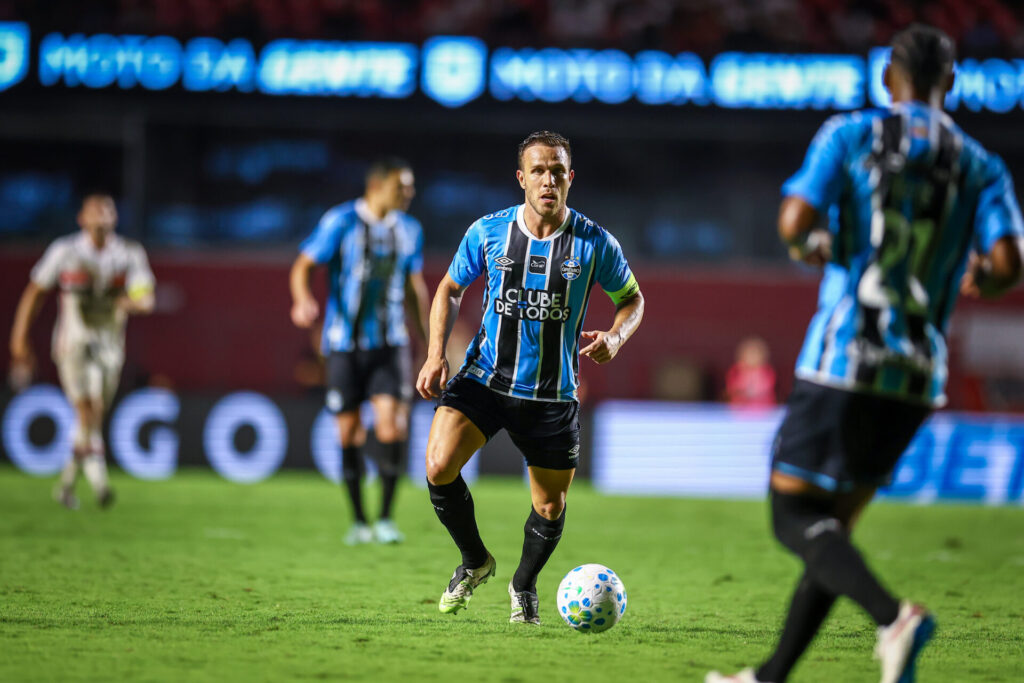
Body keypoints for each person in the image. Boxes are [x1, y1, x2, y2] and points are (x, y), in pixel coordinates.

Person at [707, 24, 1023, 683]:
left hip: (845, 354)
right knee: (832, 533)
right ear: (952, 84)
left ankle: (893, 616)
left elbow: (795, 221)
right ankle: (769, 676)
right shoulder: (980, 164)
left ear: (888, 80)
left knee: (794, 515)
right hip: (915, 373)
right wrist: (985, 279)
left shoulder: (850, 135)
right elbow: (1007, 262)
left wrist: (811, 244)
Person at [416, 131, 645, 624]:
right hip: (485, 378)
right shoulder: (488, 232)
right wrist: (436, 353)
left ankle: (523, 585)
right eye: (538, 171)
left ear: (570, 179)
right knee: (437, 466)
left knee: (549, 507)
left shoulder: (595, 243)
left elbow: (632, 299)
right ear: (521, 178)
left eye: (557, 171)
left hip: (552, 394)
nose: (548, 180)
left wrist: (617, 337)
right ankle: (475, 562)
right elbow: (450, 288)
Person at [290, 158, 429, 546]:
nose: (410, 194)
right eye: (403, 186)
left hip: (391, 343)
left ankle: (385, 518)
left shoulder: (410, 230)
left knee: (393, 426)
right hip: (343, 345)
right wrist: (302, 300)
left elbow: (414, 286)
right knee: (349, 431)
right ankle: (358, 521)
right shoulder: (341, 221)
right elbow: (303, 265)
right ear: (378, 186)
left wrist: (431, 342)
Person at [9, 193, 156, 510]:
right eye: (96, 211)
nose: (103, 216)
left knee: (95, 412)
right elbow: (35, 291)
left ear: (115, 218)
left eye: (108, 211)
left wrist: (130, 301)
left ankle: (65, 485)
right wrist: (19, 336)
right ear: (82, 219)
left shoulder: (129, 254)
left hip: (110, 345)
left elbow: (146, 297)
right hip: (72, 342)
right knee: (87, 408)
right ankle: (101, 484)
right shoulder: (65, 251)